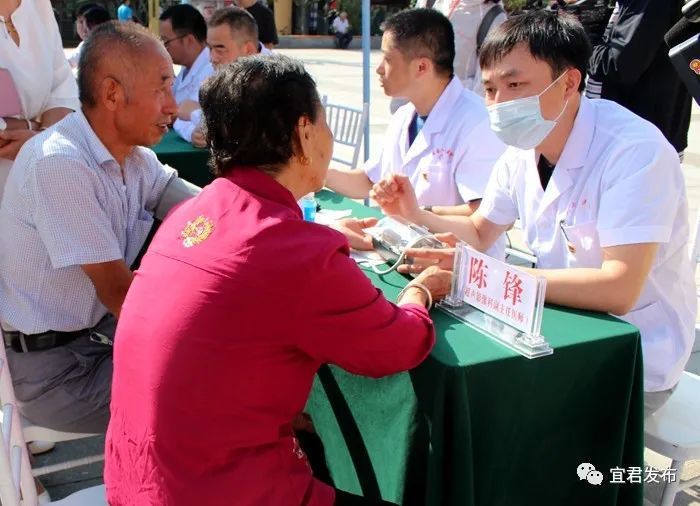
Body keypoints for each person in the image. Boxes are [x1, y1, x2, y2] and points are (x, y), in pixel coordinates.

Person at [104, 55, 452, 506]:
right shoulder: (297, 250)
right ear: (304, 133)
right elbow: (397, 345)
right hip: (219, 487)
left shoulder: (194, 210)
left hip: (136, 480)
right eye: (324, 122)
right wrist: (421, 290)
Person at [371, 10, 696, 417]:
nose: (499, 103)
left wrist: (478, 276)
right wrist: (415, 212)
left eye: (515, 84)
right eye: (489, 89)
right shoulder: (522, 152)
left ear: (570, 83)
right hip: (556, 332)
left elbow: (619, 288)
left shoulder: (635, 152)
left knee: (508, 424)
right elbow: (479, 228)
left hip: (636, 354)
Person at [0, 21, 199, 433]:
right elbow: (122, 296)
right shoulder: (62, 164)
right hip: (57, 374)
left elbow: (206, 209)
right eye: (161, 87)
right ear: (112, 93)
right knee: (214, 393)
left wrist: (283, 222)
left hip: (96, 341)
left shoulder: (132, 157)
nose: (172, 105)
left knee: (230, 371)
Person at [325, 9, 506, 259]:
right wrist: (315, 171)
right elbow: (369, 180)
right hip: (408, 256)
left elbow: (485, 218)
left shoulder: (477, 123)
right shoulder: (404, 116)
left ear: (421, 66)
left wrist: (419, 212)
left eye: (387, 59)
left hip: (461, 274)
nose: (379, 69)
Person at [586, 0, 692, 157]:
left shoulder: (649, 4)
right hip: (637, 138)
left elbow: (618, 66)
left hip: (636, 146)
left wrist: (583, 40)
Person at [0, 0, 79, 196]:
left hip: (43, 177)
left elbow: (62, 89)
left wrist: (40, 136)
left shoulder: (38, 5)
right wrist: (35, 132)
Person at [175, 7, 261, 147]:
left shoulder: (278, 78)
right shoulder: (217, 71)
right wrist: (192, 133)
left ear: (249, 49)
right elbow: (180, 118)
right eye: (210, 48)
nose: (212, 58)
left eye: (220, 49)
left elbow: (243, 128)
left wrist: (195, 114)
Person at [415, 0, 506, 95]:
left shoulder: (493, 16)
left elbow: (485, 80)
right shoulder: (429, 2)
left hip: (455, 102)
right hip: (417, 98)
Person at [159, 4, 214, 108]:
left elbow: (183, 117)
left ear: (188, 40)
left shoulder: (210, 72)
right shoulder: (185, 68)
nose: (163, 48)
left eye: (166, 41)